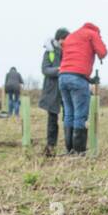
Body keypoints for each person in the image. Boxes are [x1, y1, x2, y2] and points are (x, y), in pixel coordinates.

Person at [58, 22, 107, 155]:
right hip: (77, 80)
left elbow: (71, 59)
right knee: (80, 114)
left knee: (68, 113)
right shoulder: (92, 34)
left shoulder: (72, 36)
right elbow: (102, 52)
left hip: (62, 77)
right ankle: (79, 150)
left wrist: (88, 79)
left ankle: (69, 149)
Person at [39, 28, 68, 156]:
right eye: (64, 39)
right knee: (52, 120)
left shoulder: (69, 51)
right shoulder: (49, 52)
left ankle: (70, 146)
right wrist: (59, 70)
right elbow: (45, 70)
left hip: (66, 88)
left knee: (68, 117)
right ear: (58, 39)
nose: (65, 42)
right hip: (52, 90)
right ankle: (51, 147)